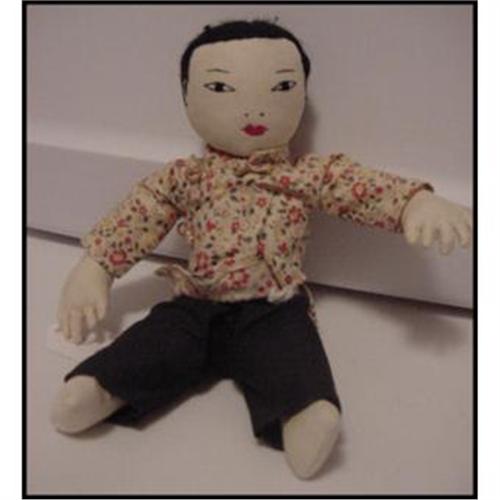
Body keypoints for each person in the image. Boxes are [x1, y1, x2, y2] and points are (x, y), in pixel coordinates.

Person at [50, 20, 472, 479]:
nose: (253, 108)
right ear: (188, 97)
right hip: (196, 303)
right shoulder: (186, 177)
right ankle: (104, 387)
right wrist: (95, 267)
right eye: (220, 88)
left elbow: (356, 186)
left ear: (301, 94)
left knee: (294, 356)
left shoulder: (304, 174)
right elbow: (141, 212)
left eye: (282, 87)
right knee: (156, 341)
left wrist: (414, 203)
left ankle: (303, 412)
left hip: (274, 306)